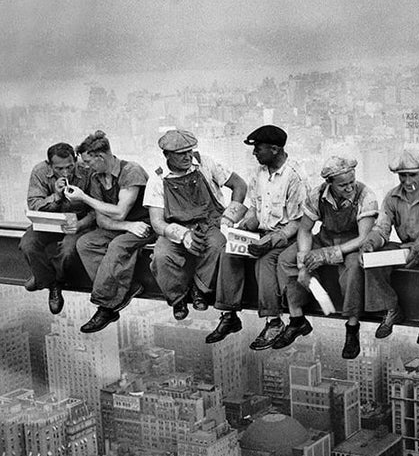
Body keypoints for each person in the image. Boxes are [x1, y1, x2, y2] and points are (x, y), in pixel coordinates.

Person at [205, 125, 306, 350]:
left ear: (275, 149)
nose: (255, 153)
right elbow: (254, 209)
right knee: (229, 252)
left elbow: (298, 222)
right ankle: (229, 315)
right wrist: (240, 229)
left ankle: (273, 321)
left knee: (265, 261)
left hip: (286, 237)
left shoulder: (295, 177)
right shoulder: (259, 173)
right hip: (262, 232)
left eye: (258, 149)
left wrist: (272, 240)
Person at [277, 155, 378, 359]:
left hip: (351, 244)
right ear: (329, 183)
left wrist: (326, 255)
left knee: (353, 269)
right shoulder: (317, 195)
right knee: (286, 259)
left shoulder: (366, 196)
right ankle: (297, 317)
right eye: (343, 185)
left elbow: (363, 237)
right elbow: (305, 230)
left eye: (352, 182)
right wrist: (304, 262)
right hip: (325, 237)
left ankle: (352, 326)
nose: (349, 188)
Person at [145, 129, 248, 321]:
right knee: (161, 256)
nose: (187, 156)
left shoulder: (205, 163)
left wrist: (228, 218)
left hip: (209, 223)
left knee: (218, 246)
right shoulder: (158, 179)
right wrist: (183, 235)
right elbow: (157, 222)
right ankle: (178, 298)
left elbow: (239, 185)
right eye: (180, 154)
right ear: (167, 155)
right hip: (176, 228)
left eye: (189, 151)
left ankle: (200, 290)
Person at [64, 130, 154, 333]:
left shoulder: (131, 171)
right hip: (126, 226)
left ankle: (105, 306)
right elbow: (102, 219)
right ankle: (125, 288)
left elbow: (120, 212)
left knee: (117, 246)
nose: (86, 167)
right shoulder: (97, 177)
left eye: (88, 162)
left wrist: (84, 198)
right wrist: (126, 227)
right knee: (85, 243)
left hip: (145, 225)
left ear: (101, 157)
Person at [358, 148, 419, 342]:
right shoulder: (392, 197)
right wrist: (370, 243)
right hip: (405, 248)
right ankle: (391, 307)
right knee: (372, 260)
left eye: (412, 175)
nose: (407, 182)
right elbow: (382, 228)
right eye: (403, 176)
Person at [20, 142, 95, 314]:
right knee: (28, 244)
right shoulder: (39, 171)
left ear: (75, 160)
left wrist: (80, 224)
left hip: (77, 223)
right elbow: (34, 204)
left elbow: (95, 207)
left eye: (69, 167)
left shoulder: (87, 171)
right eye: (59, 169)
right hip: (48, 222)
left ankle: (48, 278)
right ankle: (49, 282)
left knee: (68, 251)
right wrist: (56, 196)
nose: (66, 172)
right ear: (50, 165)